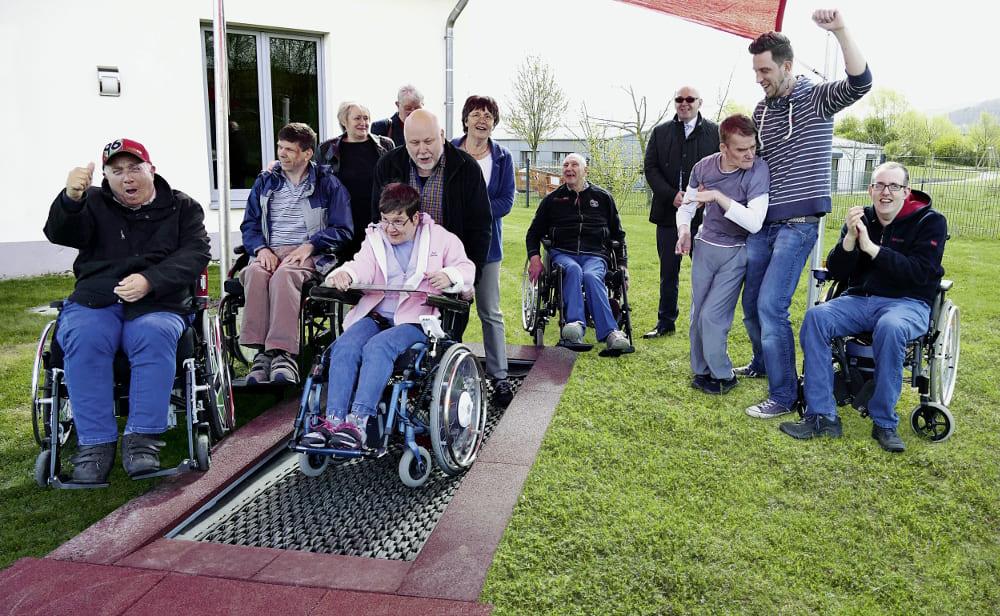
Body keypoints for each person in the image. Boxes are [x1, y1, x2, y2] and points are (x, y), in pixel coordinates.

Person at [43, 139, 211, 483]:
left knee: (152, 334)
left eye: (134, 168)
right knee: (83, 335)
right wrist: (70, 200)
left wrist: (150, 280)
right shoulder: (92, 201)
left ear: (152, 169)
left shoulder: (183, 207)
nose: (126, 178)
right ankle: (95, 445)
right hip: (97, 296)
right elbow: (60, 233)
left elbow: (195, 254)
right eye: (116, 171)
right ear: (105, 177)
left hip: (158, 300)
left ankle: (141, 440)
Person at [741, 8, 873, 420]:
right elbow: (756, 163)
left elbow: (860, 82)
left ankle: (782, 395)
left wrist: (840, 31)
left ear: (786, 65)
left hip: (798, 225)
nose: (759, 77)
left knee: (770, 305)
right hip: (764, 222)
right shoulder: (762, 111)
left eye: (764, 70)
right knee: (750, 303)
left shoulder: (815, 97)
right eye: (756, 70)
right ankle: (763, 363)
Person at [779, 162, 947, 453]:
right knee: (817, 317)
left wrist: (871, 249)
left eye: (894, 186)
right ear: (870, 189)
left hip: (907, 303)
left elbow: (919, 273)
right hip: (860, 300)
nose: (886, 192)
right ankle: (822, 415)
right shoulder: (861, 219)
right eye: (879, 185)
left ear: (906, 192)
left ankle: (884, 422)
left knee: (891, 327)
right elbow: (836, 270)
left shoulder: (929, 222)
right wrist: (849, 240)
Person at [302, 183, 475, 449]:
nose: (390, 229)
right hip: (377, 316)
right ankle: (334, 421)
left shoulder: (441, 239)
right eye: (385, 221)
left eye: (397, 221)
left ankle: (358, 421)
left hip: (415, 320)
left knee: (378, 347)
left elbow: (466, 269)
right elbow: (363, 265)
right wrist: (347, 274)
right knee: (345, 344)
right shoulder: (376, 238)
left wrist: (449, 276)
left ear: (415, 218)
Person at [239, 122, 353, 385]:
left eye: (289, 149)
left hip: (308, 254)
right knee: (256, 274)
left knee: (284, 277)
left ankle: (283, 353)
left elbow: (343, 229)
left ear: (307, 153)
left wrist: (311, 245)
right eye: (280, 147)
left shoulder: (328, 184)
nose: (282, 153)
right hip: (269, 251)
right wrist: (260, 248)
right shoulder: (266, 182)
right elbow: (250, 224)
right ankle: (261, 354)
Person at [676, 115, 770, 395]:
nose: (749, 154)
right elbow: (688, 206)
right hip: (705, 246)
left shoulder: (758, 170)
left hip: (736, 252)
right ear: (724, 148)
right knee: (697, 315)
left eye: (752, 146)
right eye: (741, 149)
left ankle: (723, 374)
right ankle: (702, 371)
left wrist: (717, 196)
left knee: (713, 316)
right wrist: (683, 230)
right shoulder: (703, 167)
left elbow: (755, 222)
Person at [371, 108, 492, 284]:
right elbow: (377, 220)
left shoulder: (467, 168)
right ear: (405, 141)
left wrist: (467, 279)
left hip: (448, 272)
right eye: (414, 142)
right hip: (399, 274)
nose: (422, 150)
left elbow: (480, 228)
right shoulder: (388, 165)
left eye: (428, 141)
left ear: (441, 136)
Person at [526, 154, 630, 353]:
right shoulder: (552, 200)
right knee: (572, 270)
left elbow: (619, 235)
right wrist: (535, 257)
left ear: (585, 171)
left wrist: (623, 266)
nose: (568, 168)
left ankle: (611, 333)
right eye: (565, 165)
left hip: (595, 254)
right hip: (563, 253)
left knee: (591, 276)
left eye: (574, 164)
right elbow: (533, 234)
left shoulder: (603, 197)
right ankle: (575, 324)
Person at [451, 95, 515, 406]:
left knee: (490, 312)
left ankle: (499, 376)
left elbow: (506, 201)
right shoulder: (449, 151)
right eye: (476, 114)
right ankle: (448, 374)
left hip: (488, 248)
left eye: (488, 116)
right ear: (465, 120)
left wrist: (475, 209)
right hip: (449, 248)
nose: (482, 120)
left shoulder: (502, 157)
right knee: (449, 309)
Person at [643, 86, 720, 339]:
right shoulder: (660, 132)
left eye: (690, 99)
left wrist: (703, 195)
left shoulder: (715, 132)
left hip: (704, 216)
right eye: (679, 99)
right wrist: (670, 195)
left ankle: (705, 322)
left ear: (700, 102)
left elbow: (722, 167)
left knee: (704, 272)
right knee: (668, 272)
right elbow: (650, 168)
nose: (684, 103)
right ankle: (665, 322)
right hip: (668, 213)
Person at [317, 101, 395, 258]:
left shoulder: (385, 145)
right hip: (342, 220)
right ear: (344, 121)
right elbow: (315, 179)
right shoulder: (327, 149)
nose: (363, 123)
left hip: (376, 217)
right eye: (357, 118)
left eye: (366, 118)